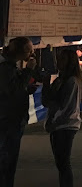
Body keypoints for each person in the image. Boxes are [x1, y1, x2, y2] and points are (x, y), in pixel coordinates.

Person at [42, 49, 82, 187]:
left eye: (63, 59)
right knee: (61, 163)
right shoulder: (59, 80)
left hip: (66, 125)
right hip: (58, 124)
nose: (59, 62)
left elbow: (67, 107)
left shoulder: (71, 81)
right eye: (59, 59)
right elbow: (46, 102)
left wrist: (53, 122)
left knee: (63, 163)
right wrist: (46, 85)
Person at [0, 37, 36, 187]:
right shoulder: (5, 67)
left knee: (8, 164)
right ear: (23, 51)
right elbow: (12, 91)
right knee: (7, 164)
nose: (32, 54)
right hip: (8, 121)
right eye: (30, 50)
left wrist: (26, 89)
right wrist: (28, 70)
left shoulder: (10, 66)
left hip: (11, 120)